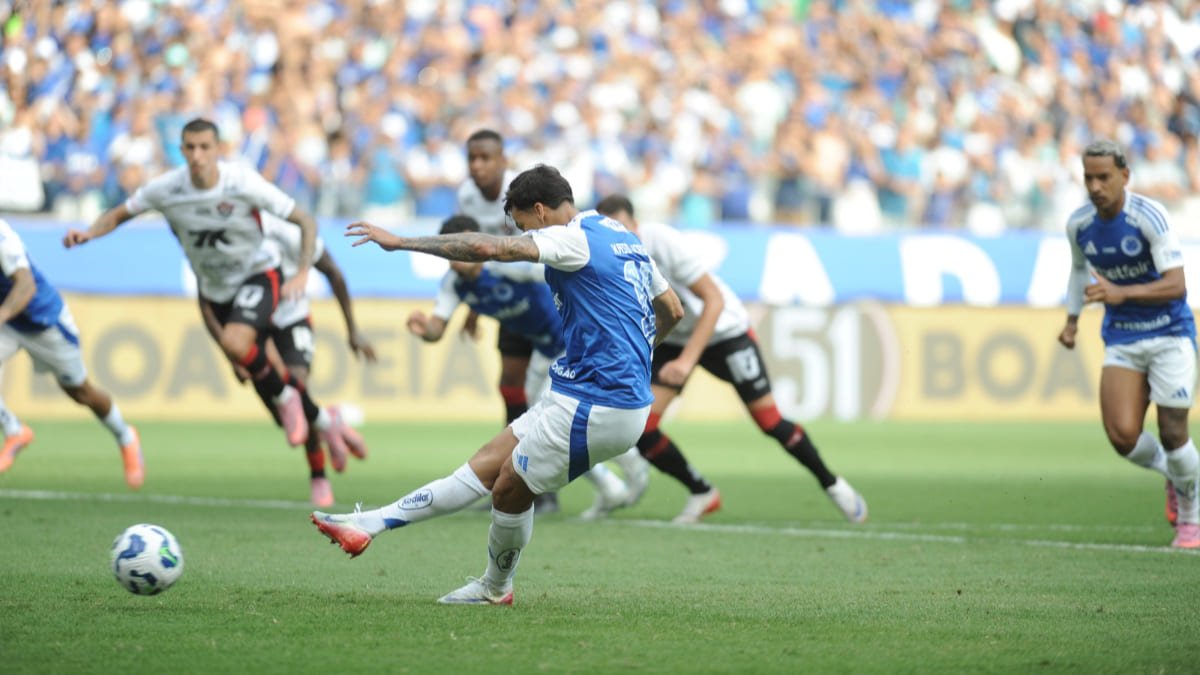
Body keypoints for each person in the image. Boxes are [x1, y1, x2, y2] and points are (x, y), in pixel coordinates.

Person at [312, 164, 683, 604]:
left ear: (541, 212)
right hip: (587, 392)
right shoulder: (618, 232)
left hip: (598, 402)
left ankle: (495, 588)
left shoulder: (568, 237)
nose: (525, 234)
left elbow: (486, 246)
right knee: (485, 466)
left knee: (508, 486)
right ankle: (369, 524)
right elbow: (672, 309)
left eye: (524, 225)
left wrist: (401, 241)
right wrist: (637, 356)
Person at [63, 117, 359, 457]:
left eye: (205, 147)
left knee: (246, 348)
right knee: (249, 365)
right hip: (218, 289)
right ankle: (322, 418)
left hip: (260, 273)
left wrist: (302, 272)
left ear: (218, 150)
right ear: (182, 150)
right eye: (190, 148)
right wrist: (88, 233)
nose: (198, 156)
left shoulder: (243, 183)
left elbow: (305, 220)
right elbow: (119, 214)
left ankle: (303, 431)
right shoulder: (167, 189)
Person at [595, 195, 868, 524]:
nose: (621, 237)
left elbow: (714, 300)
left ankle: (833, 483)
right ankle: (702, 491)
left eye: (625, 229)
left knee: (769, 421)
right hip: (675, 334)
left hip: (724, 331)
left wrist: (686, 361)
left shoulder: (662, 241)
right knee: (643, 427)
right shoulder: (607, 257)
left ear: (637, 225)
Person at [406, 214, 649, 518]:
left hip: (571, 345)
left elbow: (559, 272)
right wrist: (422, 328)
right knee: (542, 421)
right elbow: (437, 330)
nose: (460, 256)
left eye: (466, 245)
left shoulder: (508, 268)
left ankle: (628, 470)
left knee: (550, 420)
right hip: (544, 350)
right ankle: (615, 480)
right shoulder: (454, 285)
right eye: (453, 251)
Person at [1057, 139, 1199, 549]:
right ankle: (1177, 475)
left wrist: (1122, 293)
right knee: (1122, 437)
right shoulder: (1079, 225)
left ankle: (1191, 520)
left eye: (1104, 177)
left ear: (1124, 176)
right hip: (1123, 337)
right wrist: (1071, 322)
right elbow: (1078, 272)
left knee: (1174, 433)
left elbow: (1177, 285)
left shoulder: (1149, 216)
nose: (1096, 186)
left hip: (1170, 333)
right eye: (1088, 177)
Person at [198, 214, 376, 507]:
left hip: (292, 319)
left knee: (297, 390)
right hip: (253, 324)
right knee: (284, 415)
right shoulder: (226, 238)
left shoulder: (289, 233)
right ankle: (328, 419)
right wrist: (229, 351)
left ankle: (318, 476)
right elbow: (205, 301)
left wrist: (352, 329)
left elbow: (334, 273)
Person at [454, 130, 561, 513]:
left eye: (485, 158)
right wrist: (474, 308)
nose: (477, 166)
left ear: (502, 160)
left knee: (547, 398)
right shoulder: (466, 197)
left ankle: (542, 486)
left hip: (544, 299)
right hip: (508, 302)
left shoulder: (524, 192)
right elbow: (475, 255)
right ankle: (513, 478)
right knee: (511, 387)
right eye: (472, 158)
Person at [0, 218, 143, 488]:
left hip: (44, 322)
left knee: (81, 392)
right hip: (8, 325)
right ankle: (15, 431)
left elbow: (25, 286)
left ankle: (126, 436)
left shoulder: (2, 235)